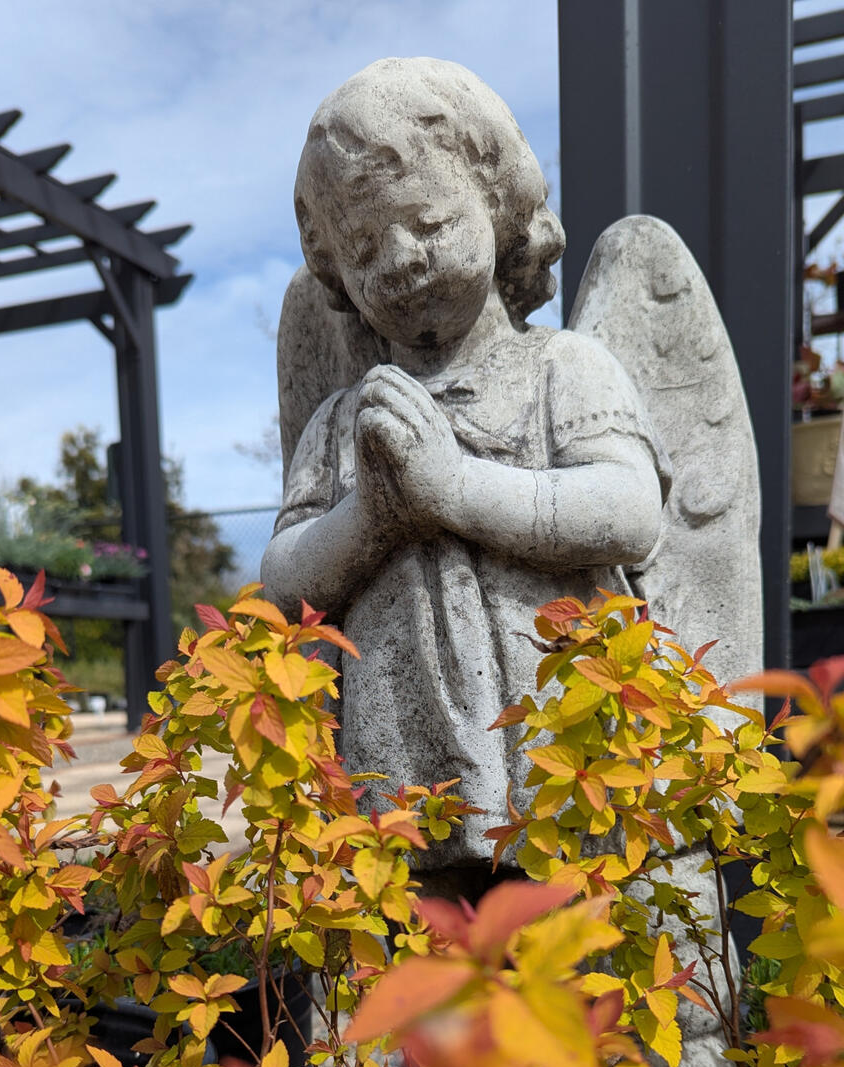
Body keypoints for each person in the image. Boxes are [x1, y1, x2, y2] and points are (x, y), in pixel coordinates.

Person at [261, 58, 670, 881]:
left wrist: (451, 490)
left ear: (497, 203)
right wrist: (369, 522)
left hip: (554, 750)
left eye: (428, 223)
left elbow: (628, 511)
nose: (401, 260)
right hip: (396, 767)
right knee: (415, 959)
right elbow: (280, 580)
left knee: (563, 952)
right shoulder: (345, 419)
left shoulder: (562, 368)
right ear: (335, 273)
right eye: (365, 247)